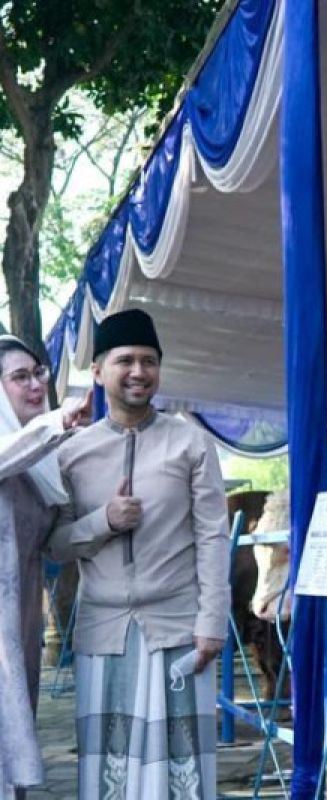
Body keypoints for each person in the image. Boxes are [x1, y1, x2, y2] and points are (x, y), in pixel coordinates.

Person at [46, 309, 230, 800]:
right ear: (99, 370)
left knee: (182, 772)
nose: (138, 371)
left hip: (179, 627)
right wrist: (104, 520)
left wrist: (212, 621)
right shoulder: (71, 453)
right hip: (104, 633)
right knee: (111, 768)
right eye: (125, 360)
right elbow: (55, 546)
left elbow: (214, 536)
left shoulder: (190, 442)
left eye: (149, 361)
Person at [0, 336, 90, 800]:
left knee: (14, 736)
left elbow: (56, 546)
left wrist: (105, 521)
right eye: (20, 377)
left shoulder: (45, 458)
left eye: (39, 373)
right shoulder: (25, 444)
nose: (35, 385)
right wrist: (57, 423)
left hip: (20, 625)